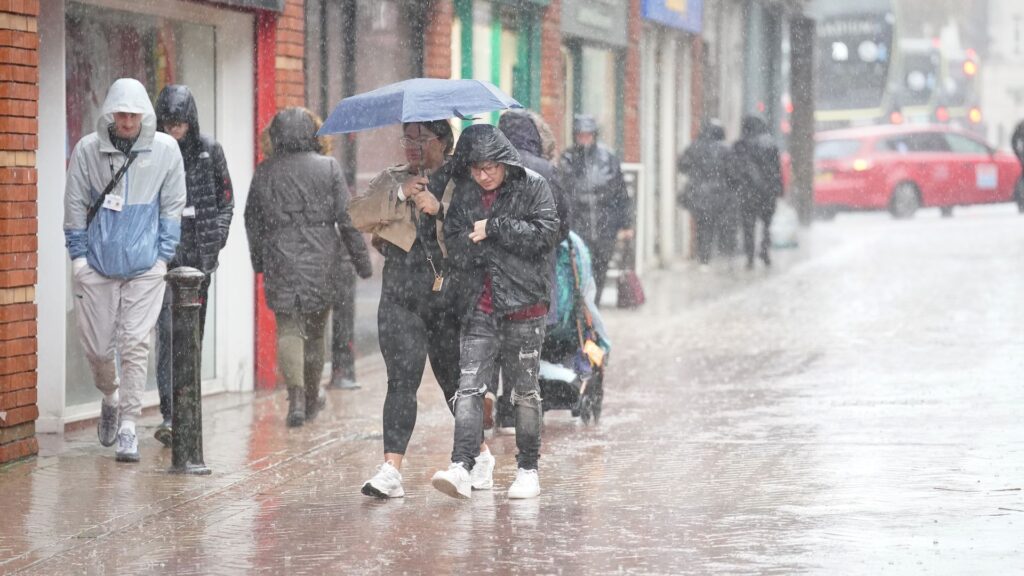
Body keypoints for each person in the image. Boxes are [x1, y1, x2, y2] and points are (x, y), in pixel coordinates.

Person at [354, 120, 495, 499]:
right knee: (401, 381)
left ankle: (480, 455)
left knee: (453, 381)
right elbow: (357, 215)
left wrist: (440, 208)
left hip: (446, 294)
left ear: (444, 142)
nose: (412, 146)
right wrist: (399, 194)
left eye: (422, 138)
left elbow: (479, 228)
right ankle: (390, 470)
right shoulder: (391, 178)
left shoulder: (461, 180)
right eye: (407, 138)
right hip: (400, 294)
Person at [431, 124, 559, 500]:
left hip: (524, 305)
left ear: (504, 162)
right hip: (478, 305)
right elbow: (454, 242)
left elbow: (545, 235)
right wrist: (478, 243)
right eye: (476, 169)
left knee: (524, 392)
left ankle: (527, 469)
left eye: (490, 167)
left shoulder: (532, 185)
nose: (484, 175)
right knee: (469, 387)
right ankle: (461, 465)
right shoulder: (466, 193)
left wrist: (495, 228)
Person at [63, 78, 186, 462]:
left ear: (144, 115)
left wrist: (163, 256)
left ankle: (129, 426)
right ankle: (111, 397)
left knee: (135, 344)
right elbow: (74, 202)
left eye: (134, 114)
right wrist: (79, 258)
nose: (128, 121)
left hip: (145, 266)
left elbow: (172, 205)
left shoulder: (165, 150)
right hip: (97, 265)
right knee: (98, 346)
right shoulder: (87, 151)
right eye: (122, 113)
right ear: (110, 113)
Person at [244, 108, 372, 428]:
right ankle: (312, 396)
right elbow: (347, 218)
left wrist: (258, 258)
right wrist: (361, 261)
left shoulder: (265, 171)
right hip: (322, 258)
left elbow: (252, 219)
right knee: (315, 332)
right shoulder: (328, 168)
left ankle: (296, 397)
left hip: (279, 256)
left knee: (288, 327)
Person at [152, 85, 234, 447]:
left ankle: (188, 407)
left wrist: (214, 240)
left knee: (193, 337)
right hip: (163, 258)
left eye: (180, 124)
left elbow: (226, 200)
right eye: (169, 124)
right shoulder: (151, 153)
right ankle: (170, 413)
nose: (174, 131)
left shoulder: (209, 151)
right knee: (168, 335)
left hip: (199, 259)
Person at [492, 109, 571, 432]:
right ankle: (515, 409)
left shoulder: (487, 167)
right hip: (534, 271)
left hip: (493, 270)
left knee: (491, 338)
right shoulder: (547, 171)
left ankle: (488, 394)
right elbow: (563, 223)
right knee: (524, 343)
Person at [558, 114, 633, 305]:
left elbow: (621, 193)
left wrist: (626, 223)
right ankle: (583, 308)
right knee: (581, 269)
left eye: (588, 135)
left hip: (605, 225)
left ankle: (594, 305)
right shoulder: (567, 159)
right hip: (579, 226)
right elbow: (563, 194)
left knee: (600, 268)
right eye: (581, 135)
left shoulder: (608, 158)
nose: (584, 139)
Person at [678, 119, 735, 267]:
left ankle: (702, 254)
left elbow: (682, 166)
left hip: (696, 192)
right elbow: (731, 173)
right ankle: (705, 255)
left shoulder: (694, 147)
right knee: (710, 224)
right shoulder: (725, 149)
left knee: (701, 223)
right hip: (717, 193)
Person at [733, 116, 783, 269]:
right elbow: (777, 169)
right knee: (767, 224)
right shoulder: (770, 144)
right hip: (767, 191)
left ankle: (750, 257)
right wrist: (779, 189)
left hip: (748, 192)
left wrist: (735, 186)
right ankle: (765, 250)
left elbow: (735, 169)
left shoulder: (740, 145)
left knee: (748, 225)